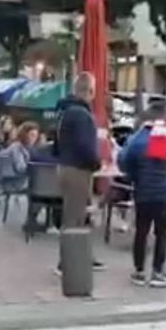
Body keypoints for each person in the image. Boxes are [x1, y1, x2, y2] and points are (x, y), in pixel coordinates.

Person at [119, 104, 166, 288]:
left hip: (142, 192)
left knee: (141, 231)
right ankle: (158, 271)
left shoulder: (137, 139)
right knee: (161, 233)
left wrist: (134, 177)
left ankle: (139, 271)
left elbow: (124, 161)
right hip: (163, 193)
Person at [54, 72, 104, 274]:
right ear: (90, 91)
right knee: (74, 218)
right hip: (78, 170)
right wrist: (96, 163)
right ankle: (67, 262)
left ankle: (81, 256)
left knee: (76, 216)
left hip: (66, 165)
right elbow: (85, 147)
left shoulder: (65, 112)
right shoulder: (82, 115)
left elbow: (56, 143)